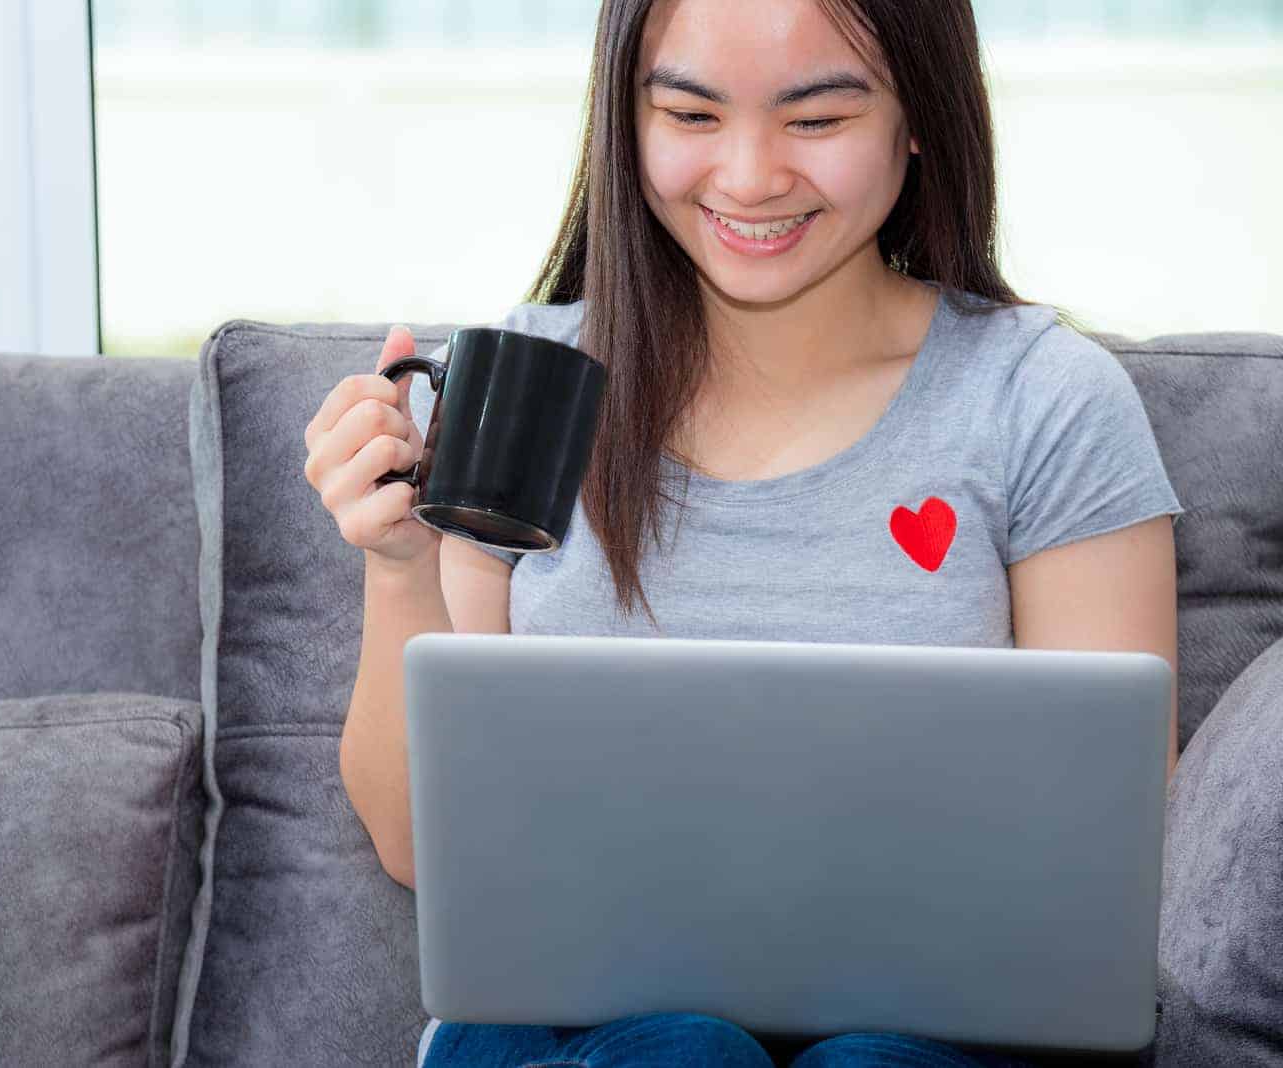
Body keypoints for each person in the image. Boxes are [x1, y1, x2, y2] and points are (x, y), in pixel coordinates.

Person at [303, 0, 1185, 1064]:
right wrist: (398, 567)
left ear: (921, 119)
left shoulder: (1040, 399)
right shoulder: (529, 383)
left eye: (815, 121)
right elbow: (419, 849)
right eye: (690, 113)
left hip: (928, 1032)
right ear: (625, 124)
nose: (751, 175)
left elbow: (1108, 843)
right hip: (568, 1028)